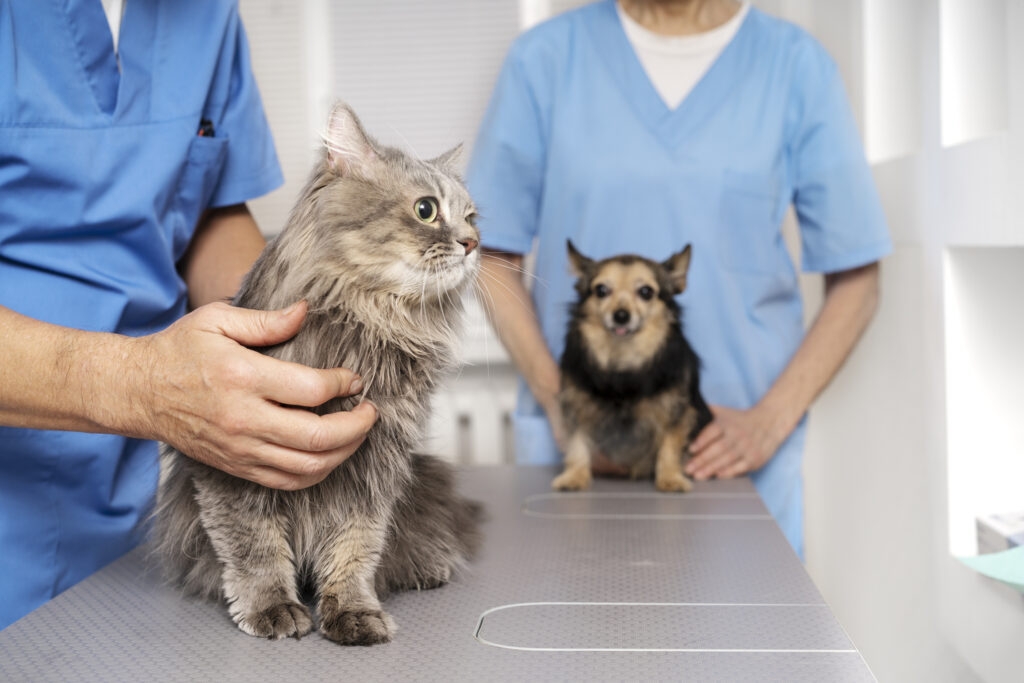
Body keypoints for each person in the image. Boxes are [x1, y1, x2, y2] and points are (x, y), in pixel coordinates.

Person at [0, 0, 377, 629]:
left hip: (145, 494)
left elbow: (203, 212)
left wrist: (303, 339)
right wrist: (141, 384)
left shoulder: (208, 16)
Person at [467, 0, 891, 559]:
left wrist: (770, 420)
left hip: (731, 465)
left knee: (746, 640)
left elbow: (857, 275)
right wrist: (562, 402)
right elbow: (491, 255)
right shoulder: (543, 60)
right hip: (578, 456)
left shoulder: (796, 67)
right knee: (573, 634)